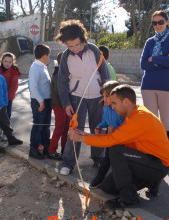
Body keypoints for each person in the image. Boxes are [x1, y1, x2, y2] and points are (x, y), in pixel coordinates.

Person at [68, 85, 169, 209]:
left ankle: (129, 199)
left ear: (126, 101)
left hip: (158, 165)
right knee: (108, 187)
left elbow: (111, 140)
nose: (112, 106)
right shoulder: (131, 115)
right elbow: (115, 138)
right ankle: (150, 182)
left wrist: (80, 138)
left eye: (114, 103)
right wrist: (86, 135)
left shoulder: (140, 118)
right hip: (145, 160)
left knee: (116, 150)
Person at [55, 19, 110, 175]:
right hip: (76, 97)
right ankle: (68, 163)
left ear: (84, 39)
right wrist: (66, 103)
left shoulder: (94, 51)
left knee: (98, 128)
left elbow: (105, 75)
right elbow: (62, 81)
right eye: (70, 46)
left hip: (97, 97)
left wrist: (106, 97)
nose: (75, 49)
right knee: (75, 129)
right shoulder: (66, 57)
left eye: (77, 45)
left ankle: (99, 158)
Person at [140, 10, 169, 147]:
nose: (158, 25)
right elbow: (143, 64)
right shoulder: (149, 42)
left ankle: (166, 156)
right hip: (148, 87)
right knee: (151, 122)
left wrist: (154, 59)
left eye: (161, 22)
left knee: (166, 123)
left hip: (168, 87)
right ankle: (153, 154)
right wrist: (164, 60)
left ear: (167, 22)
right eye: (154, 23)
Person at [90, 80, 125, 188]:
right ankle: (99, 179)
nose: (104, 99)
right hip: (110, 141)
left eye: (106, 97)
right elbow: (106, 121)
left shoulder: (121, 110)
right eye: (103, 96)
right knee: (105, 161)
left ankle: (119, 184)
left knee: (118, 164)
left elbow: (126, 127)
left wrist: (115, 129)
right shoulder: (106, 109)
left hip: (121, 143)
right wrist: (99, 126)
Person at [28, 44, 51, 160]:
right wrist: (41, 102)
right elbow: (33, 87)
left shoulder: (43, 66)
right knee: (38, 126)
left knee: (45, 126)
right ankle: (33, 149)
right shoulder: (35, 68)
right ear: (44, 55)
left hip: (46, 100)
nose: (49, 58)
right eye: (48, 55)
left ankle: (45, 147)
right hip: (39, 101)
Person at [48, 51, 69, 160]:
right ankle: (51, 150)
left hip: (66, 105)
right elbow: (59, 92)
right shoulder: (58, 73)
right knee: (59, 128)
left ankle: (65, 149)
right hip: (59, 105)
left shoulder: (65, 72)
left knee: (66, 129)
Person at [0, 52, 21, 120]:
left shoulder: (13, 71)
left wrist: (6, 96)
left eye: (10, 62)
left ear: (12, 62)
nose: (7, 63)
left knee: (6, 115)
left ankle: (6, 129)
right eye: (5, 61)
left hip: (8, 97)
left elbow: (14, 86)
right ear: (2, 61)